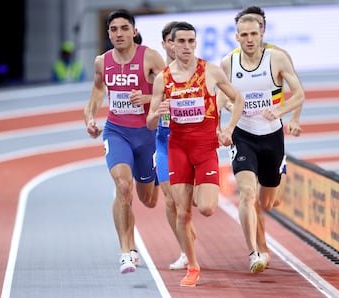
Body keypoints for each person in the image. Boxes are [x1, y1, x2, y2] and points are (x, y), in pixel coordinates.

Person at [146, 21, 244, 287]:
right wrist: (157, 111)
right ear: (171, 44)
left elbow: (238, 99)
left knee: (208, 208)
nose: (186, 46)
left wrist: (229, 129)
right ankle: (192, 265)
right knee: (182, 212)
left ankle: (191, 251)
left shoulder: (210, 72)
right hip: (177, 148)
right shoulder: (162, 79)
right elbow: (151, 124)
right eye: (181, 42)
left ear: (196, 43)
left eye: (191, 41)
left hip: (205, 149)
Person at [218, 14, 304, 274]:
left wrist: (281, 112)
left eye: (253, 34)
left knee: (268, 202)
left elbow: (299, 94)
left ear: (262, 33)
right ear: (236, 37)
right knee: (247, 193)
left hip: (272, 137)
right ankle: (254, 252)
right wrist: (220, 127)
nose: (249, 39)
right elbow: (220, 98)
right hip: (243, 136)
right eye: (244, 35)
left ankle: (280, 171)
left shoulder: (276, 58)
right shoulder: (228, 63)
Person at [83, 9, 165, 275]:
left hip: (147, 134)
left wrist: (148, 99)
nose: (119, 34)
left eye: (124, 28)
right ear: (108, 33)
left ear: (134, 31)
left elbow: (171, 91)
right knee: (122, 186)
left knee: (148, 199)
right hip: (117, 131)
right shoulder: (102, 62)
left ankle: (153, 181)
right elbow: (98, 89)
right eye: (114, 29)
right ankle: (126, 251)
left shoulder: (150, 57)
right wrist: (90, 117)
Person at [155, 21, 197, 271]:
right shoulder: (157, 72)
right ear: (166, 43)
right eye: (174, 41)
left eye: (185, 41)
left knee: (197, 203)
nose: (179, 45)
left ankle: (187, 230)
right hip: (163, 140)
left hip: (192, 141)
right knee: (170, 200)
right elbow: (147, 102)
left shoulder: (196, 69)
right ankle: (185, 249)